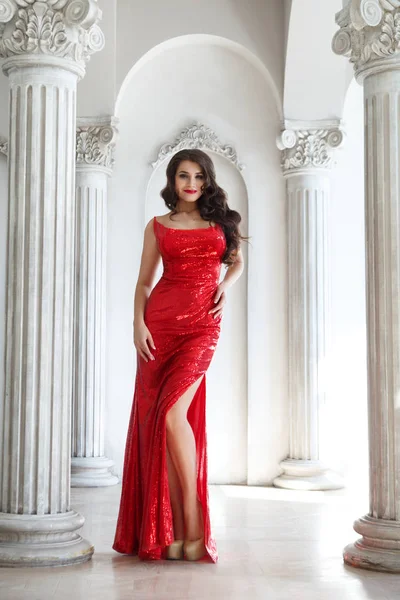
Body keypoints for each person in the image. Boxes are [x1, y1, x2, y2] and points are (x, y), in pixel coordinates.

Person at [112, 148, 245, 562]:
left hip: (202, 326)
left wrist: (227, 283)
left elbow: (237, 261)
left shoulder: (221, 222)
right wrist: (138, 324)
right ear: (172, 182)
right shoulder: (157, 227)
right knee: (161, 423)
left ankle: (192, 520)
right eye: (183, 176)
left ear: (207, 181)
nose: (191, 184)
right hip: (160, 326)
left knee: (173, 415)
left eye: (199, 176)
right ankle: (169, 529)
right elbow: (143, 284)